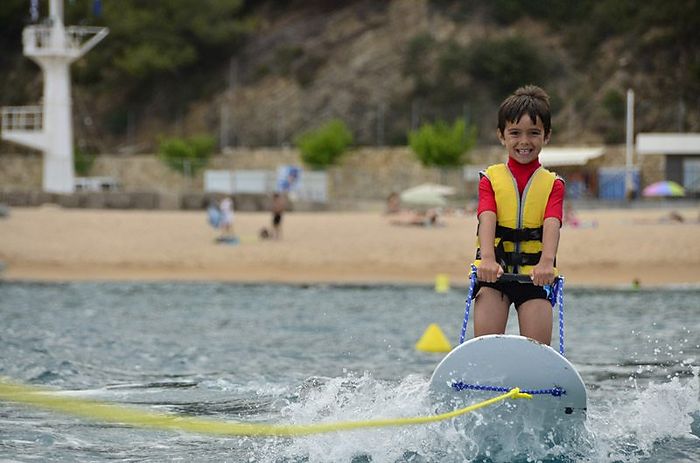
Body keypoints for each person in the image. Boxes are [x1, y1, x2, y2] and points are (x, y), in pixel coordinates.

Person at [471, 85, 565, 345]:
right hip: (494, 274)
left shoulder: (553, 184)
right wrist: (488, 260)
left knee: (537, 350)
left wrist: (547, 263)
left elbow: (552, 222)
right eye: (515, 133)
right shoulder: (490, 179)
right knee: (487, 346)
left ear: (546, 136)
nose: (524, 141)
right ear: (501, 135)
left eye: (534, 133)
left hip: (535, 276)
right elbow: (487, 216)